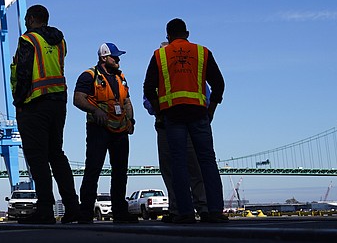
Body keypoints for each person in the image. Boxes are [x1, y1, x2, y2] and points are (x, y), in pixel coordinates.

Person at [143, 18, 228, 223]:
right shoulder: (203, 53)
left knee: (178, 164)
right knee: (207, 161)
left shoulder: (160, 55)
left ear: (168, 36)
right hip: (199, 113)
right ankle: (214, 211)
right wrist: (212, 109)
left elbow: (148, 88)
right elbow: (219, 83)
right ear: (187, 33)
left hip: (173, 116)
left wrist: (160, 112)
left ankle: (185, 213)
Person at [10, 4, 80, 224]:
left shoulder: (28, 40)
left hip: (34, 104)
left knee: (37, 157)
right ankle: (72, 207)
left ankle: (45, 211)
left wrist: (18, 102)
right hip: (58, 102)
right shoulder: (60, 41)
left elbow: (23, 73)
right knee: (56, 154)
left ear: (31, 19)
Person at [73, 42, 139, 224]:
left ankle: (120, 212)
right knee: (93, 169)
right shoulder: (89, 76)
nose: (118, 60)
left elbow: (126, 101)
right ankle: (85, 212)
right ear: (103, 58)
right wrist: (95, 110)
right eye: (114, 56)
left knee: (120, 171)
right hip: (98, 129)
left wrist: (131, 121)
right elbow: (77, 99)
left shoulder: (121, 77)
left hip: (120, 130)